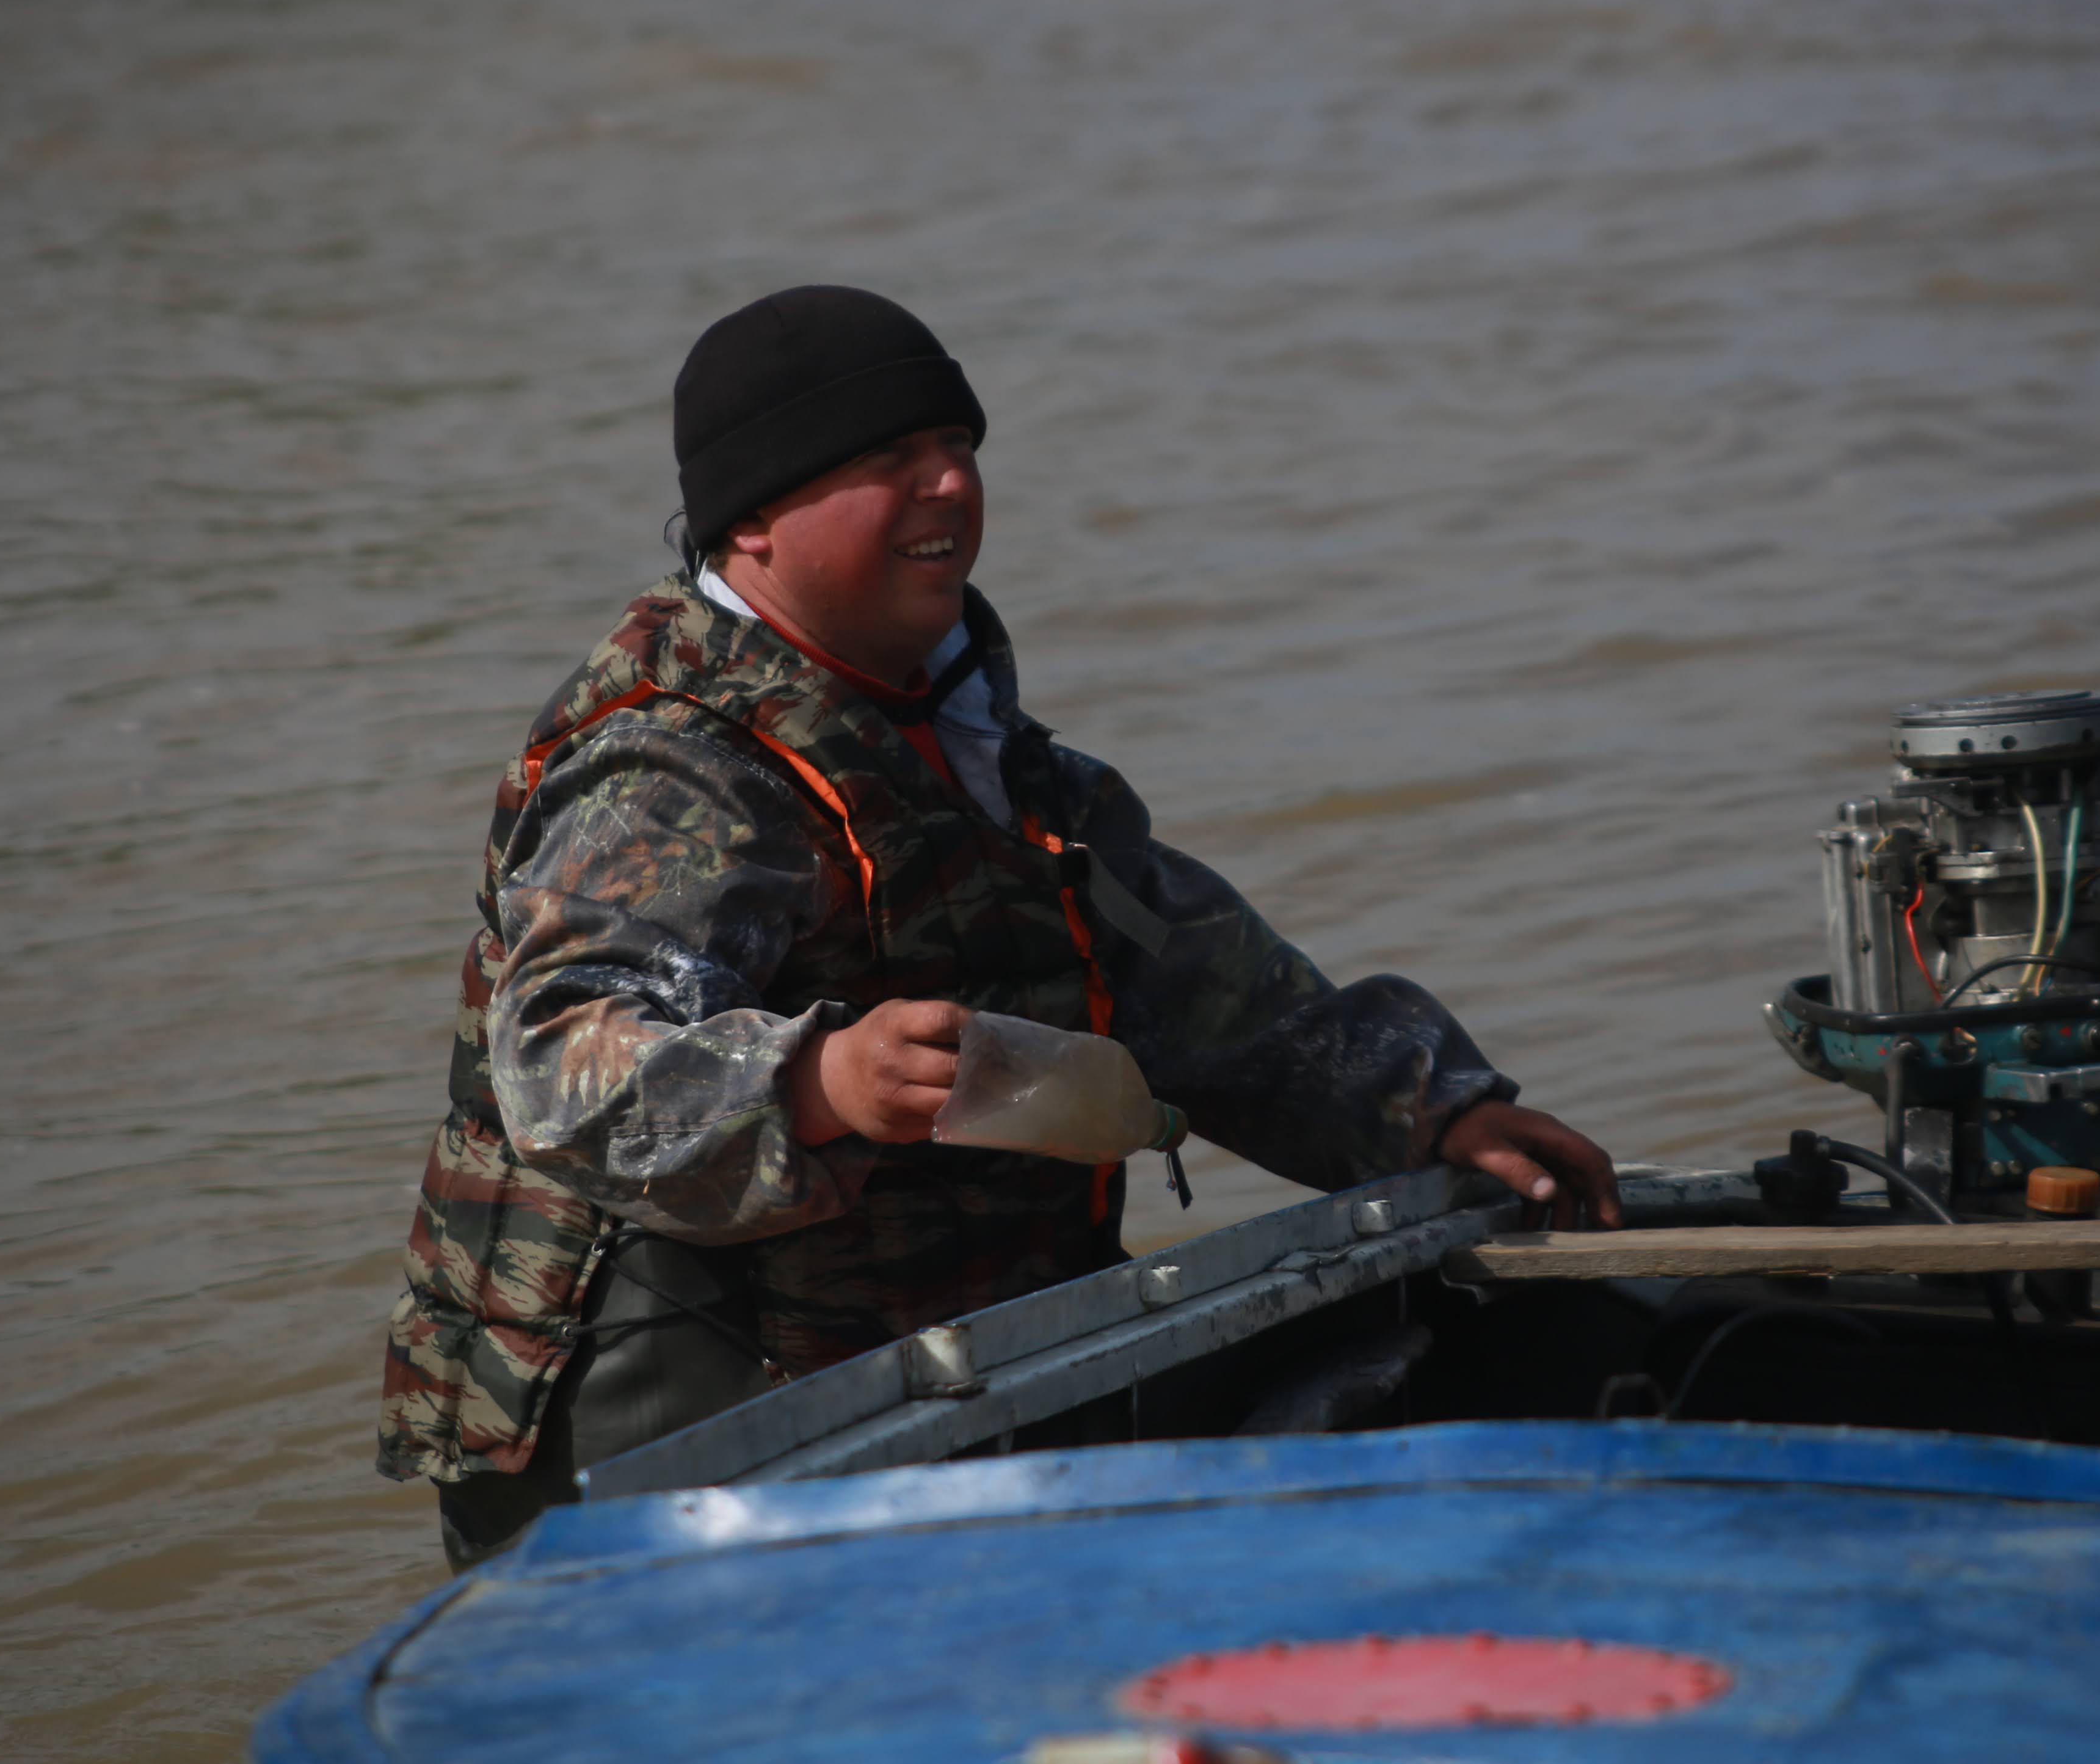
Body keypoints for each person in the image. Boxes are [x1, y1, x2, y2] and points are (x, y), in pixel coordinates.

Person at [376, 285, 1620, 1568]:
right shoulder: (668, 769)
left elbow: (1193, 980)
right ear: (752, 518)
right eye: (889, 458)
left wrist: (1427, 1114)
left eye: (958, 445)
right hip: (662, 1442)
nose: (951, 485)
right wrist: (817, 1079)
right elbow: (561, 1062)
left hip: (929, 1384)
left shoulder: (975, 739)